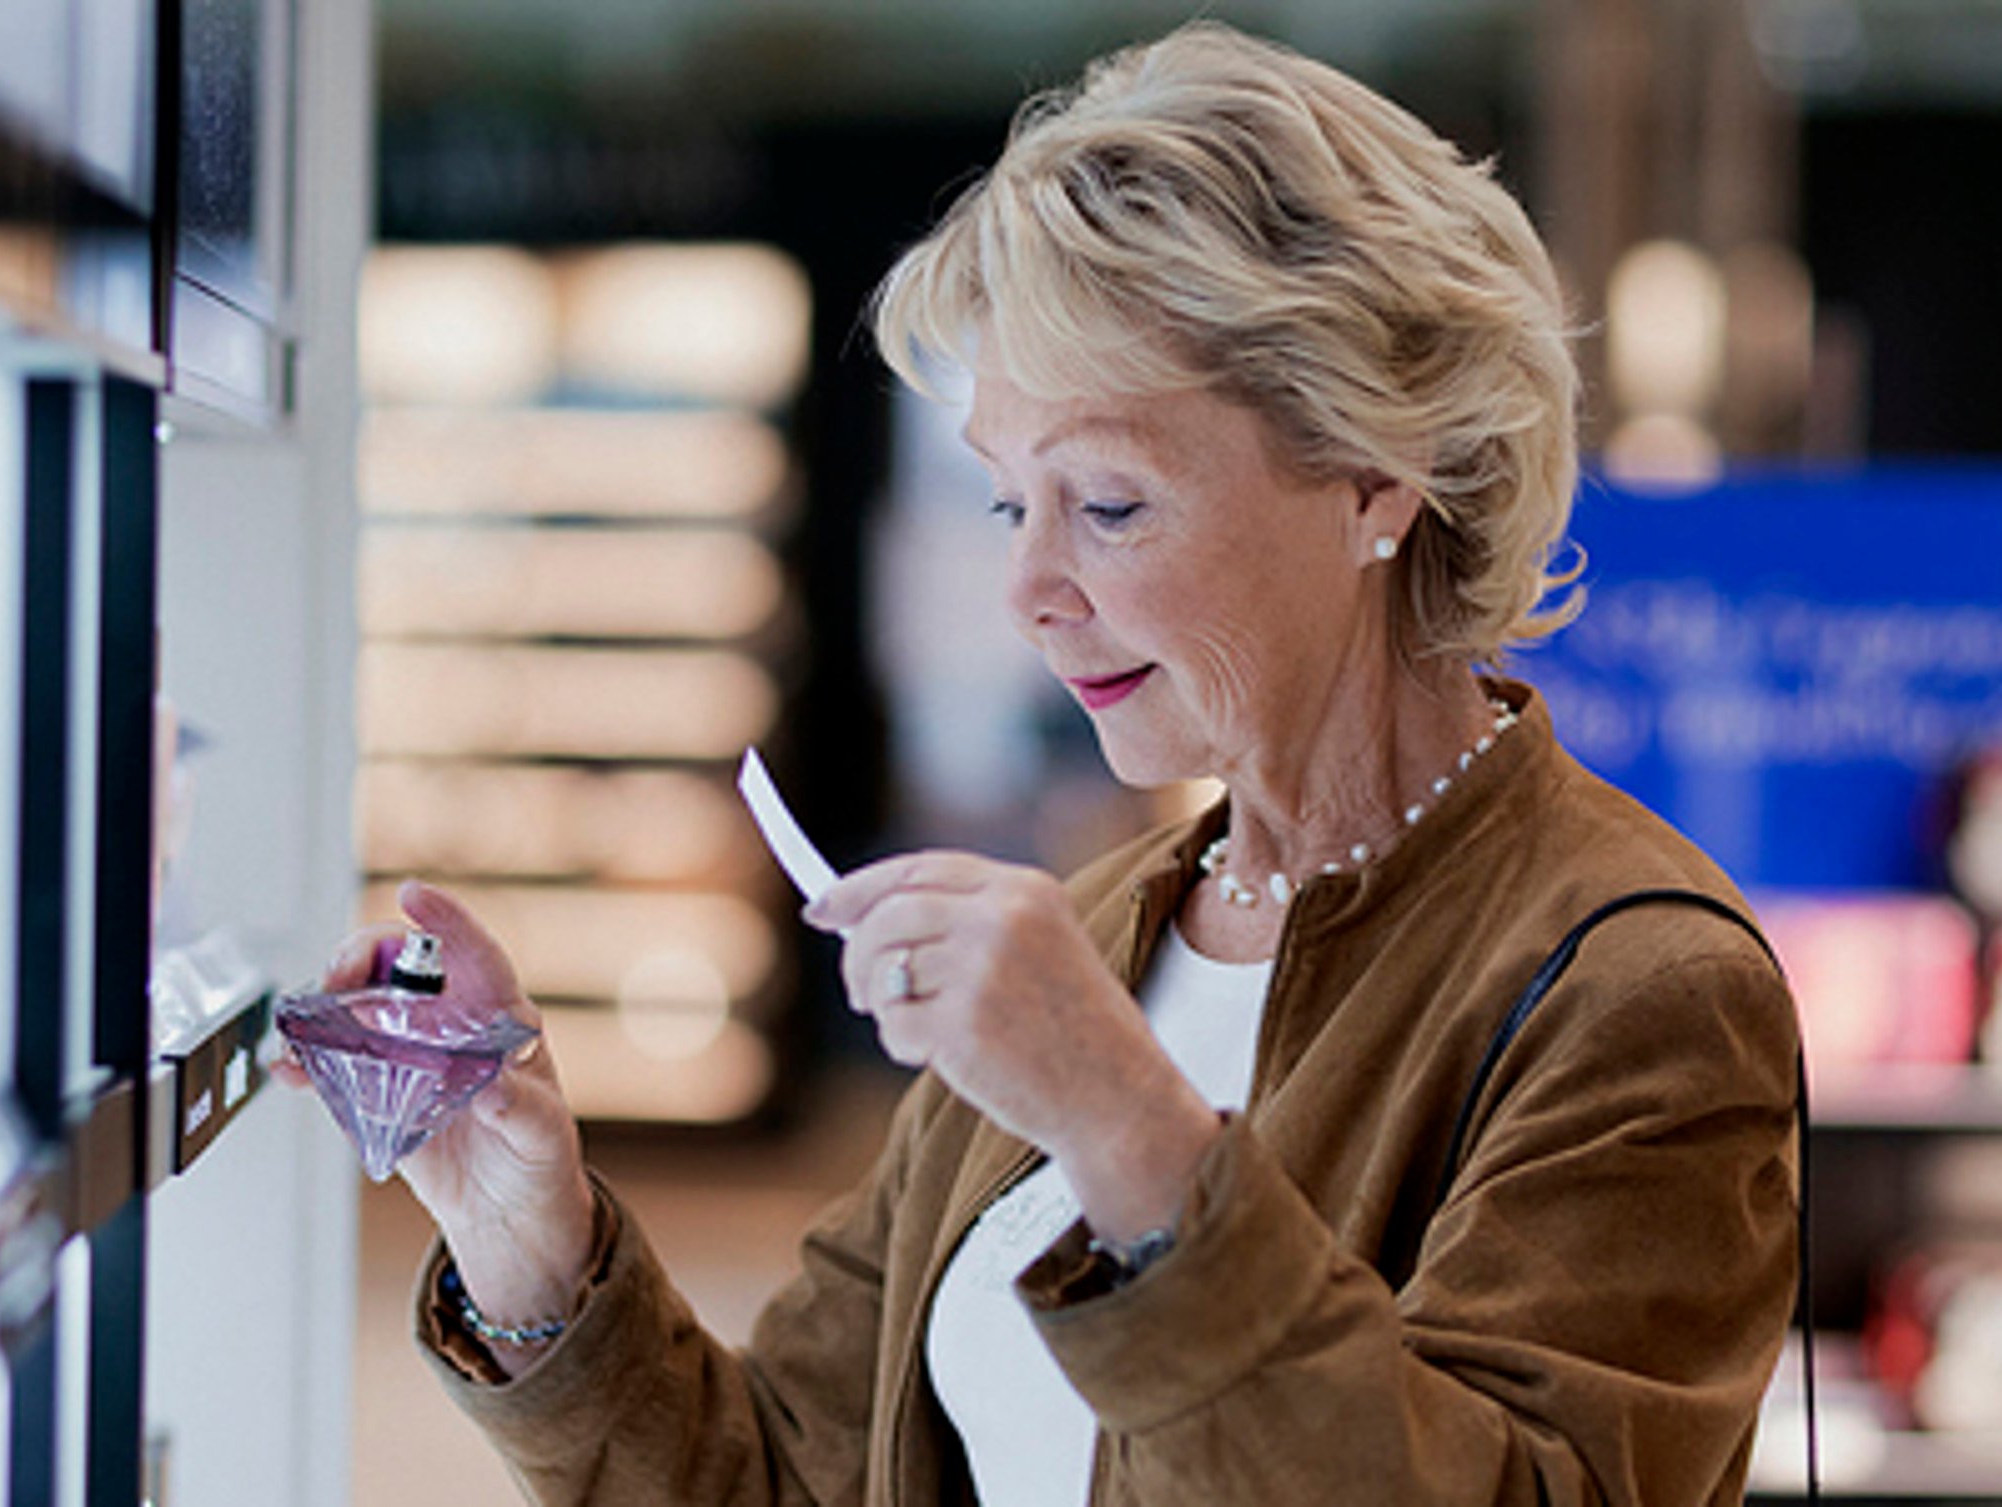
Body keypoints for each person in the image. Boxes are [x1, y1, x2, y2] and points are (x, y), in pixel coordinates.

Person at [314, 21, 1799, 1506]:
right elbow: (789, 1475)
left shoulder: (1638, 991)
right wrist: (533, 1240)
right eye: (1007, 504)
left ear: (1375, 481)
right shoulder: (1102, 932)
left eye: (1108, 503)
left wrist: (1125, 1128)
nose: (1032, 590)